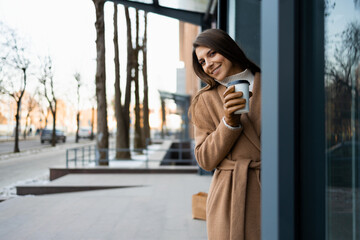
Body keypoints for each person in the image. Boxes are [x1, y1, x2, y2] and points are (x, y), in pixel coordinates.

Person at [190, 29, 261, 240]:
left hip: (276, 186)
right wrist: (229, 123)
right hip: (230, 197)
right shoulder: (204, 100)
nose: (208, 64)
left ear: (228, 49)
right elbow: (205, 159)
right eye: (202, 61)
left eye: (212, 54)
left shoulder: (273, 84)